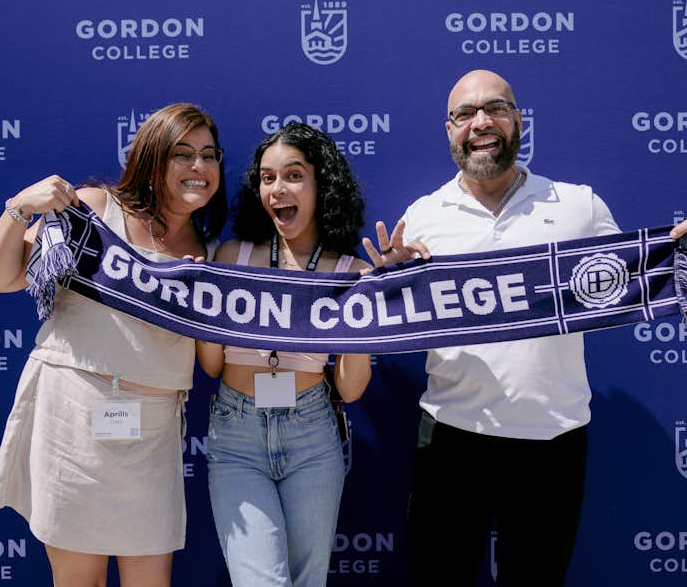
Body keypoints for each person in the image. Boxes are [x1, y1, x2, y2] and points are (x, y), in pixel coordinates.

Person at [361, 69, 687, 587]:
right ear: (449, 130)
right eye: (465, 114)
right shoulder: (423, 216)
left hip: (552, 440)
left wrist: (676, 257)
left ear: (518, 119)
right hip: (451, 439)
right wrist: (391, 284)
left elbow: (631, 280)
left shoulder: (578, 206)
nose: (481, 122)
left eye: (495, 109)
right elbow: (393, 319)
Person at [0, 103, 227, 587]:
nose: (198, 166)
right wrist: (20, 207)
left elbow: (214, 357)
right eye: (183, 153)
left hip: (152, 432)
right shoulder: (93, 208)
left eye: (209, 155)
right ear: (153, 158)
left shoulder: (209, 253)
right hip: (73, 414)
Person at [197, 122, 372, 586]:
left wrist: (367, 314)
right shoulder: (231, 257)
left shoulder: (352, 272)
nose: (278, 188)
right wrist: (201, 305)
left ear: (321, 185)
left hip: (312, 435)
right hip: (237, 435)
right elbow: (212, 365)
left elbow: (350, 389)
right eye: (267, 177)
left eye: (294, 175)